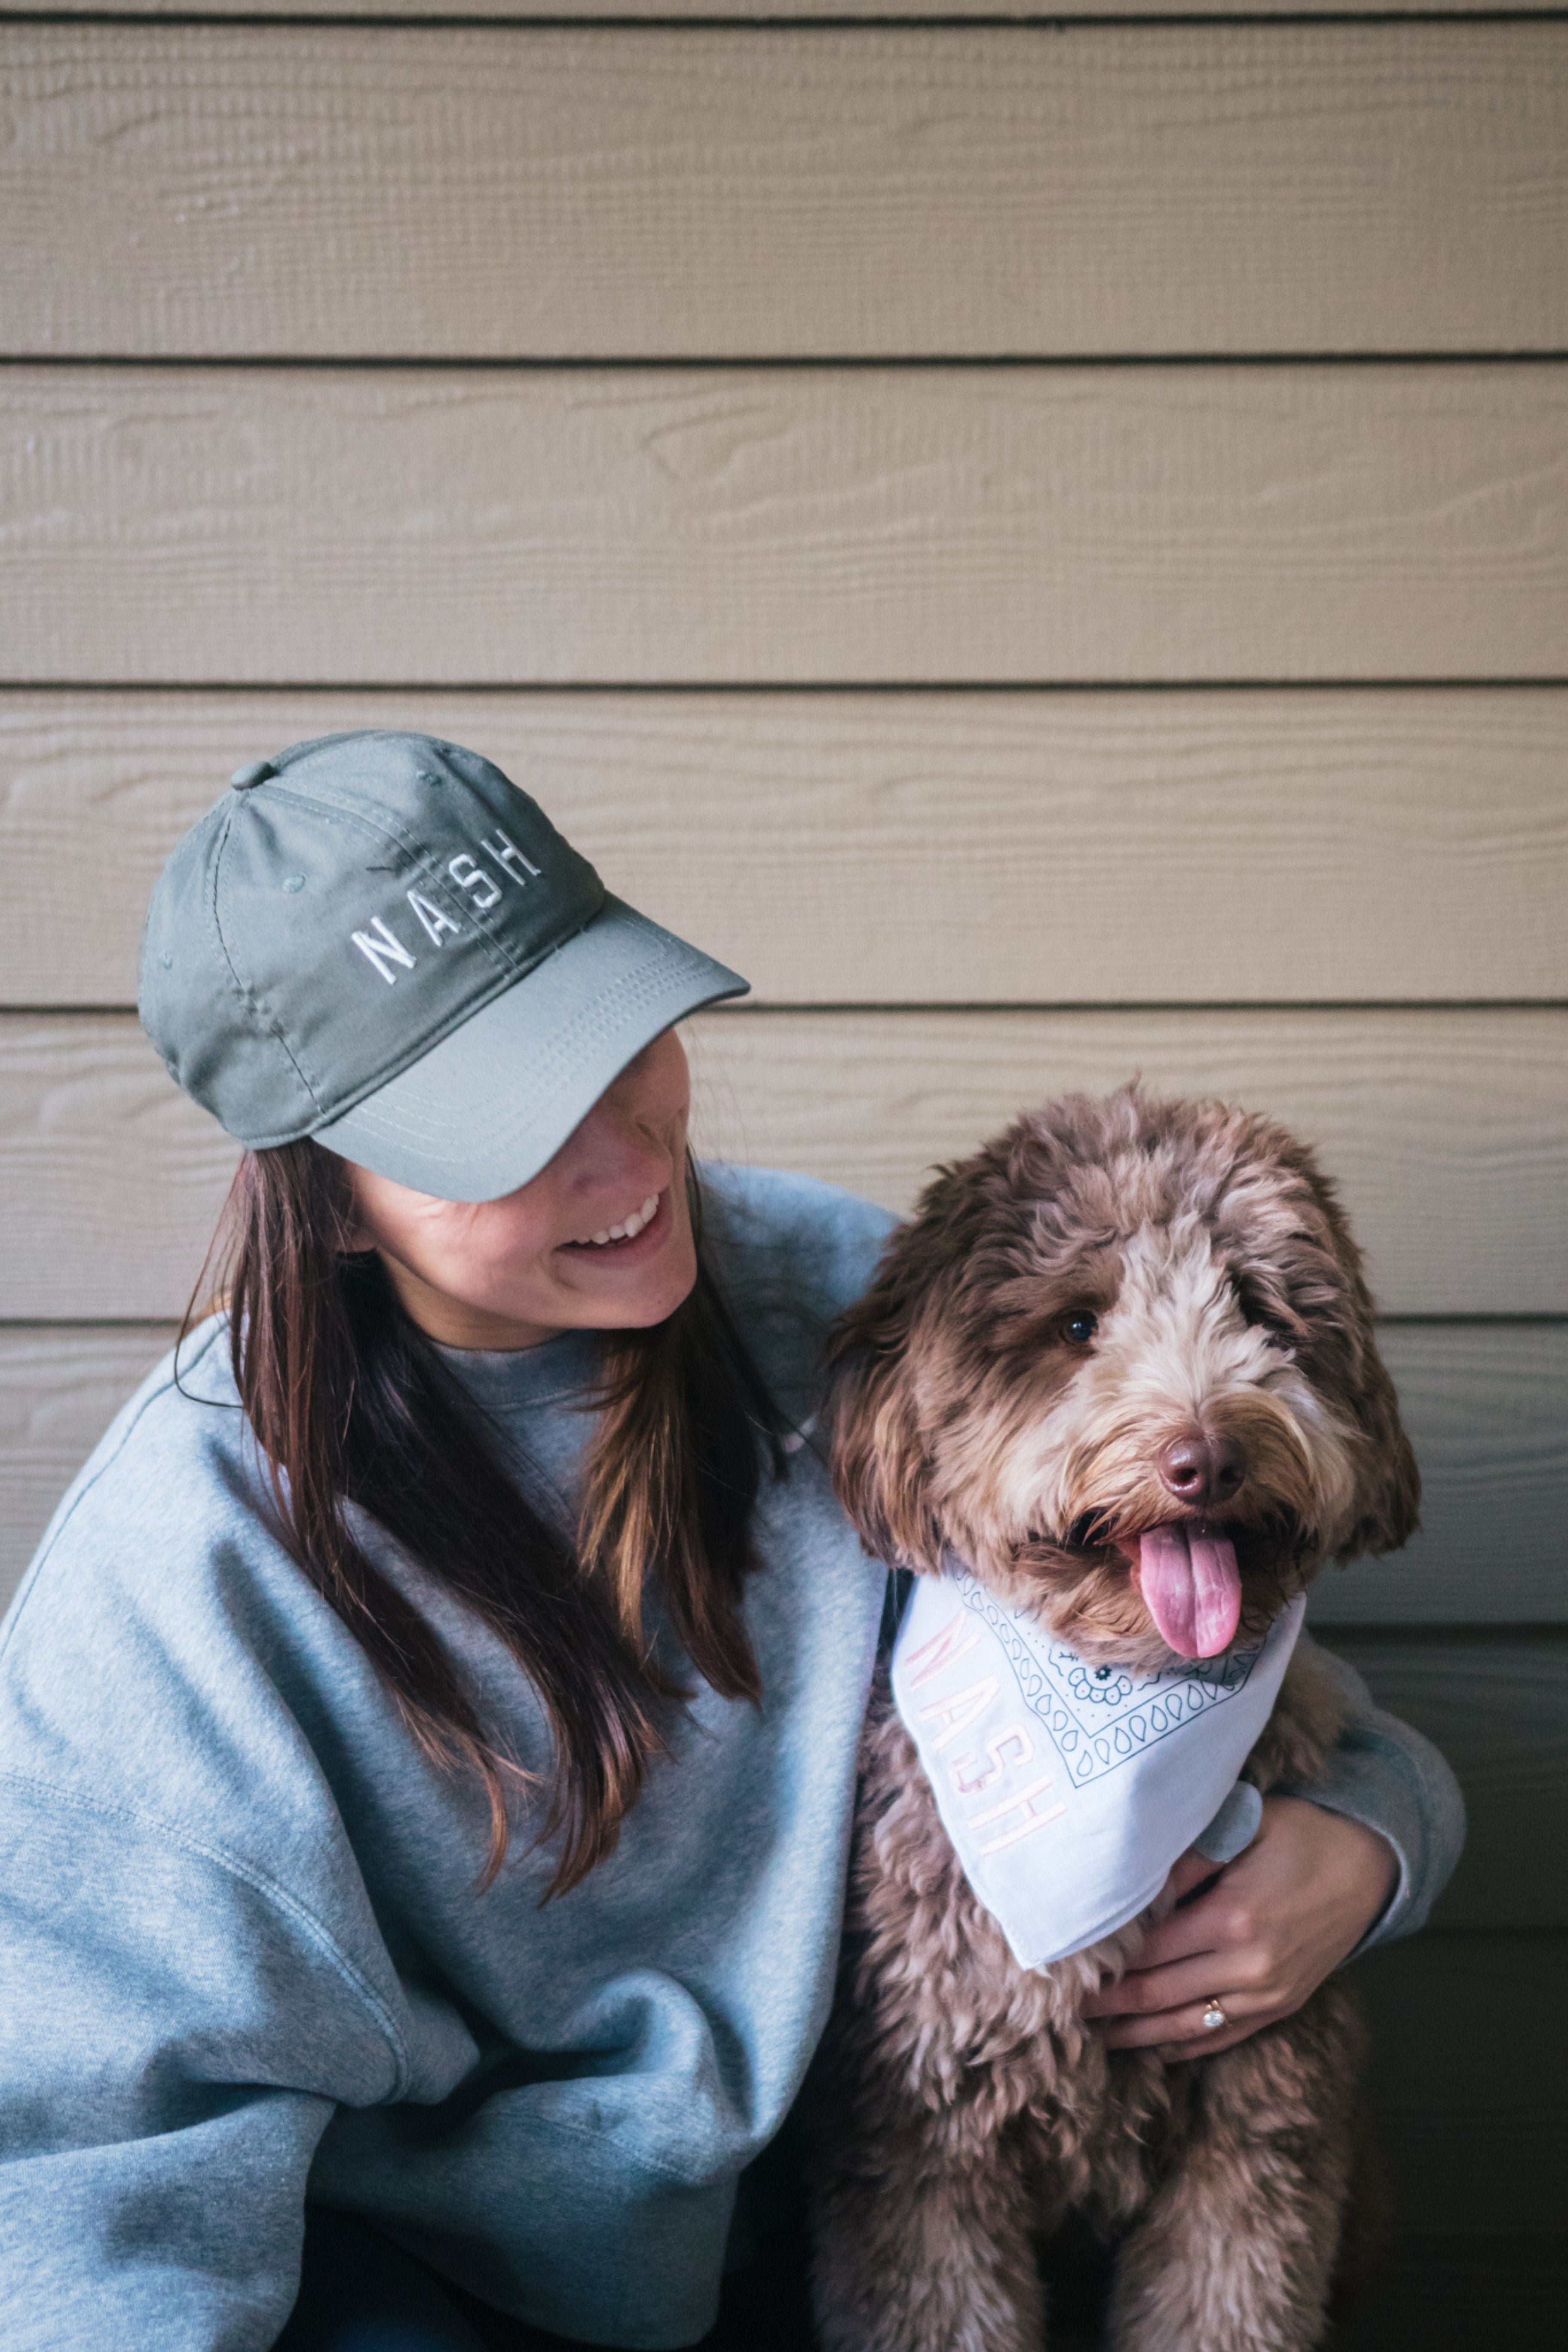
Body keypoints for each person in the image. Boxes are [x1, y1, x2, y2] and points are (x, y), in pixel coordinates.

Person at [0, 733, 1462, 2352]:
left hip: (821, 2224)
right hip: (435, 2273)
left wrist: (1376, 1847)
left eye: (614, 1041)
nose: (627, 1165)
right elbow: (96, 2172)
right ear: (329, 1205)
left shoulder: (849, 1300)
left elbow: (1231, 1672)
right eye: (505, 1126)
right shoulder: (187, 1569)